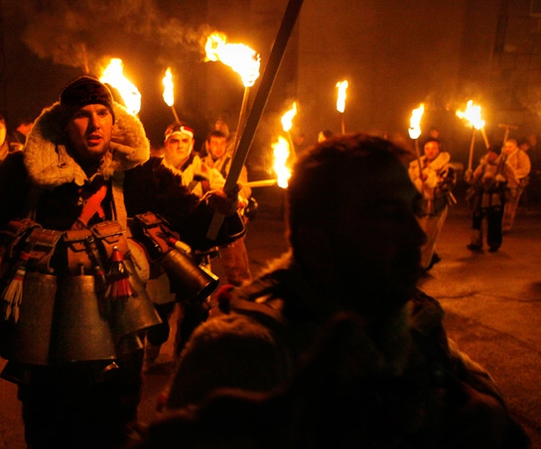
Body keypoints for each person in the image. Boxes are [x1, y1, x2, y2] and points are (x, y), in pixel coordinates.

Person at [138, 134, 528, 448]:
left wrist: (485, 413)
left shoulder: (412, 324)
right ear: (316, 243)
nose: (417, 234)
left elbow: (497, 420)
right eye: (387, 215)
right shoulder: (245, 352)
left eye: (411, 210)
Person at [0, 75, 243, 448]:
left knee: (116, 428)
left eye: (102, 113)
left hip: (118, 328)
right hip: (44, 335)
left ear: (115, 121)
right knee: (48, 429)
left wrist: (220, 210)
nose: (95, 124)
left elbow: (203, 230)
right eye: (82, 115)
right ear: (64, 122)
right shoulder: (24, 169)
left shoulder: (141, 172)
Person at [144, 123, 229, 362]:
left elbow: (228, 192)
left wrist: (235, 200)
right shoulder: (153, 171)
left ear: (192, 145)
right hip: (164, 253)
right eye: (174, 141)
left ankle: (182, 362)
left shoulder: (206, 172)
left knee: (197, 312)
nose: (180, 146)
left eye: (185, 142)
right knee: (158, 315)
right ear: (167, 144)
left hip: (197, 253)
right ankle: (151, 354)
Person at [201, 129, 253, 286]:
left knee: (235, 261)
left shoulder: (234, 164)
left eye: (222, 143)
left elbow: (246, 188)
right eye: (214, 143)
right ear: (208, 145)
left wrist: (235, 194)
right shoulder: (200, 162)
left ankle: (241, 291)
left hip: (229, 218)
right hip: (207, 217)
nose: (218, 147)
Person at [408, 137, 456, 271]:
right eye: (427, 148)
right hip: (417, 205)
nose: (430, 151)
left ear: (439, 150)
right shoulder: (415, 166)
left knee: (427, 237)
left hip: (434, 205)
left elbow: (445, 188)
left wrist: (429, 180)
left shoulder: (446, 168)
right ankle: (430, 257)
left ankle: (421, 266)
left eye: (434, 148)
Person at [466, 146, 518, 252]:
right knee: (477, 218)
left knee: (495, 220)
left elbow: (514, 181)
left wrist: (503, 180)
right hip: (482, 195)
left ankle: (494, 243)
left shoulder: (504, 166)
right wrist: (470, 175)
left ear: (497, 155)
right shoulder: (483, 165)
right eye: (489, 152)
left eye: (492, 153)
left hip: (496, 197)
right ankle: (476, 242)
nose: (489, 154)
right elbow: (473, 179)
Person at [501, 138, 531, 233]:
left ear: (515, 147)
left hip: (516, 184)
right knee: (502, 204)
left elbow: (525, 169)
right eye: (506, 146)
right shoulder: (503, 156)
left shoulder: (521, 155)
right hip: (503, 183)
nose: (508, 149)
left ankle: (507, 224)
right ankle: (499, 223)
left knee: (511, 205)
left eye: (510, 147)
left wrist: (512, 174)